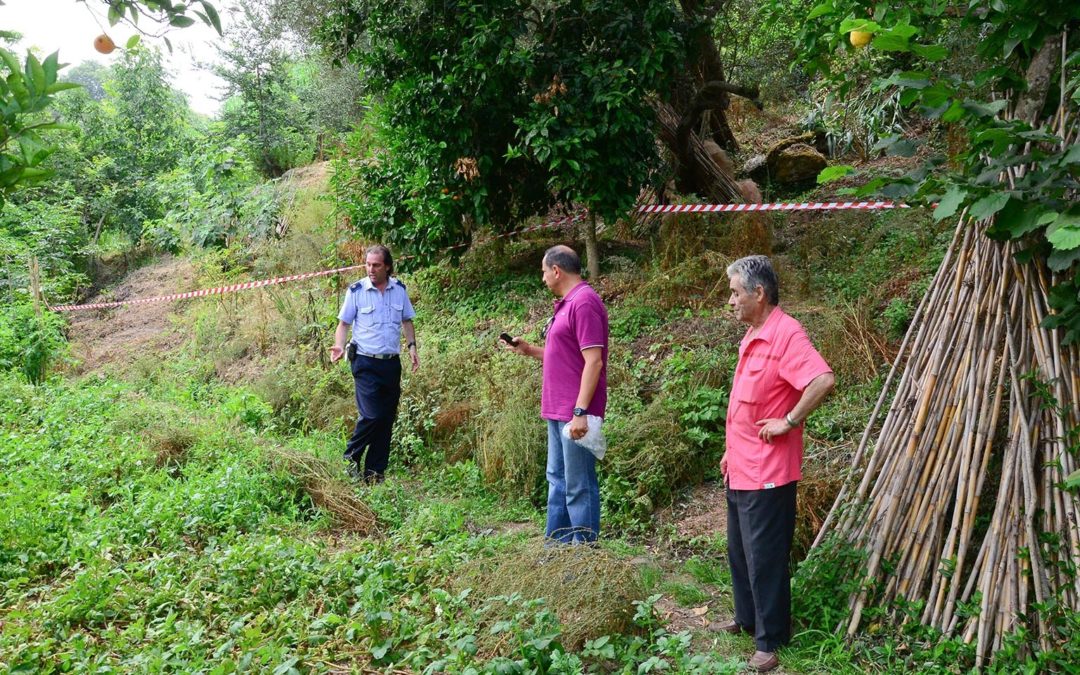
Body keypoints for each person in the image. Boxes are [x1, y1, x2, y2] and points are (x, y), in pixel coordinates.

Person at [718, 254, 835, 673]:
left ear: (759, 293)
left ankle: (769, 642)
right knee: (739, 551)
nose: (730, 301)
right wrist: (731, 450)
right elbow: (747, 403)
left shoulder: (787, 335)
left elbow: (822, 379)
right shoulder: (754, 334)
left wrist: (789, 420)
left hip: (768, 473)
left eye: (735, 293)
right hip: (742, 465)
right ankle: (747, 619)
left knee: (765, 556)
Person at [503, 245, 608, 544]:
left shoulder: (584, 303)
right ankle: (557, 548)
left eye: (543, 272)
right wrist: (529, 350)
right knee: (558, 481)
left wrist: (580, 412)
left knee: (578, 485)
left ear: (557, 270)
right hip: (557, 408)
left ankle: (583, 555)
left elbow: (594, 361)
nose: (543, 278)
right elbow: (563, 355)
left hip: (575, 412)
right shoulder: (567, 303)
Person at [330, 245, 419, 482]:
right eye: (368, 264)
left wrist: (412, 347)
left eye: (376, 265)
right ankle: (350, 458)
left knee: (386, 419)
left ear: (387, 266)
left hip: (390, 363)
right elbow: (343, 324)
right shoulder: (356, 290)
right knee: (371, 416)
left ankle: (374, 473)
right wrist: (339, 346)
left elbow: (407, 320)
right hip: (365, 362)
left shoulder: (399, 290)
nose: (371, 269)